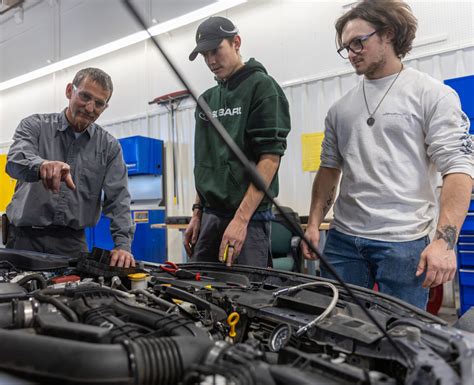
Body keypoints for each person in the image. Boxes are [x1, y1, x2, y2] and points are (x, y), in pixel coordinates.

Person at [302, 0, 473, 309]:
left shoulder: (432, 94)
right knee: (344, 328)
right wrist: (314, 224)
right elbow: (329, 169)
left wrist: (444, 243)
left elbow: (458, 168)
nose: (351, 52)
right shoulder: (340, 109)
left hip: (404, 242)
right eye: (346, 47)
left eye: (358, 42)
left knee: (401, 333)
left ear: (389, 35)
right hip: (343, 240)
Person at [184, 16, 291, 267]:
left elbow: (270, 158)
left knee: (245, 295)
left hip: (249, 218)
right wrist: (197, 212)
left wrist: (241, 220)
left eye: (216, 51)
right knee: (199, 291)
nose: (210, 61)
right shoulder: (207, 100)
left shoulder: (262, 88)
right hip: (210, 215)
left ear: (236, 42)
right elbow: (205, 161)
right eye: (204, 55)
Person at [6, 67, 135, 268]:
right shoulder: (35, 126)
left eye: (99, 103)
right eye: (85, 96)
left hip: (72, 245)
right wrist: (41, 166)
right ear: (69, 91)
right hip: (23, 239)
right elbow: (14, 162)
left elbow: (119, 200)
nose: (90, 108)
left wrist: (123, 246)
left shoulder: (109, 147)